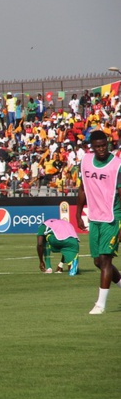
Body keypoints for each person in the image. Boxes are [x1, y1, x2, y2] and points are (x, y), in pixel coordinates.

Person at [76, 130, 121, 314]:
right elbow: (82, 188)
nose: (102, 149)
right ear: (92, 147)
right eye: (98, 146)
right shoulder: (85, 161)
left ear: (108, 144)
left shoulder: (117, 165)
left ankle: (100, 305)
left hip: (112, 217)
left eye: (104, 145)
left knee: (105, 259)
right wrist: (78, 214)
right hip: (94, 217)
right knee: (98, 262)